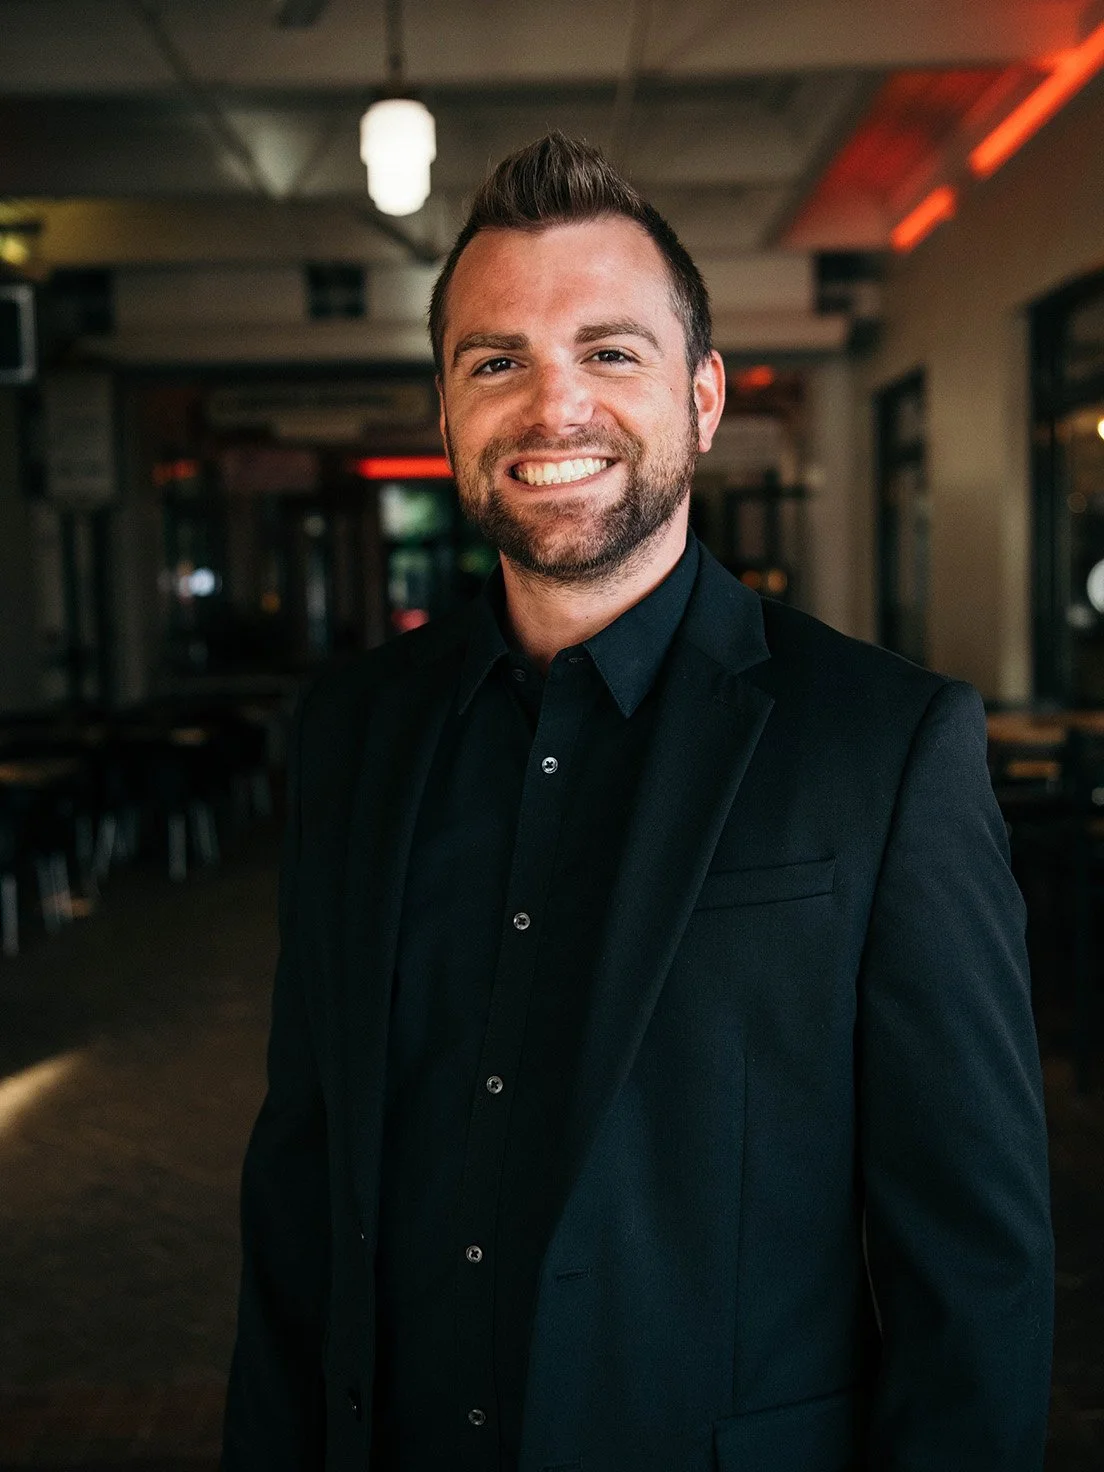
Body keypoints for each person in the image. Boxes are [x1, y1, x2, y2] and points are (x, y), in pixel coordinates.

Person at [222, 133, 1053, 1472]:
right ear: (444, 414)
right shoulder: (349, 732)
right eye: (497, 361)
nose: (555, 408)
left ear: (705, 398)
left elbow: (978, 1268)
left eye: (611, 353)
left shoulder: (884, 747)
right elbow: (299, 1189)